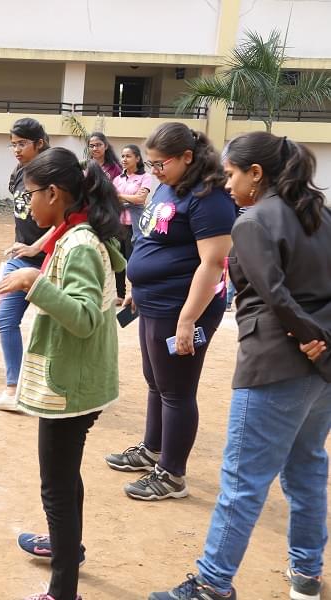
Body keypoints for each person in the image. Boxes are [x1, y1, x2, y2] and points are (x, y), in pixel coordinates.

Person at [151, 132, 331, 600]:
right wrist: (323, 339)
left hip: (275, 364)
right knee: (307, 467)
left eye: (231, 174)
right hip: (320, 370)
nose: (225, 184)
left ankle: (212, 582)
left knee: (242, 480)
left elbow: (273, 295)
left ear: (257, 173)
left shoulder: (253, 221)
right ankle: (307, 573)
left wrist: (310, 335)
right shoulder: (322, 214)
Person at [0, 147, 124, 600]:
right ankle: (69, 546)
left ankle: (62, 590)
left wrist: (34, 282)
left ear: (54, 192)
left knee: (56, 488)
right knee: (66, 479)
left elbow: (86, 317)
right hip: (76, 379)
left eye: (29, 194)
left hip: (71, 387)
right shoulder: (70, 233)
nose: (26, 203)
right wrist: (36, 272)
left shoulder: (81, 243)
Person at [105, 123, 236, 500]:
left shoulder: (209, 198)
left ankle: (172, 474)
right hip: (153, 301)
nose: (154, 170)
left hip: (182, 306)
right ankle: (152, 449)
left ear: (187, 158)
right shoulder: (167, 186)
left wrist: (188, 319)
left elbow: (213, 263)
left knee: (177, 390)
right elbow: (150, 238)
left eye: (161, 163)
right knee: (156, 381)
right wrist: (136, 289)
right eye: (150, 163)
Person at [0, 117, 53, 412]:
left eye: (22, 143)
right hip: (20, 259)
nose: (16, 149)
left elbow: (68, 219)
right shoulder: (18, 172)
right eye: (13, 144)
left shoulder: (53, 172)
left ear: (39, 143)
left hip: (51, 262)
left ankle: (54, 386)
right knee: (5, 319)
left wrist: (37, 245)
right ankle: (14, 389)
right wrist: (20, 247)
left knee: (53, 327)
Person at [111, 144, 152, 300]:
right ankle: (120, 295)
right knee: (119, 261)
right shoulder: (117, 179)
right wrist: (130, 199)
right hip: (118, 226)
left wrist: (120, 197)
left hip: (135, 226)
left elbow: (141, 199)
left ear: (137, 158)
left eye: (128, 156)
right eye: (122, 156)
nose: (124, 159)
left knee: (134, 261)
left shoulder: (145, 177)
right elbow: (111, 199)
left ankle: (136, 294)